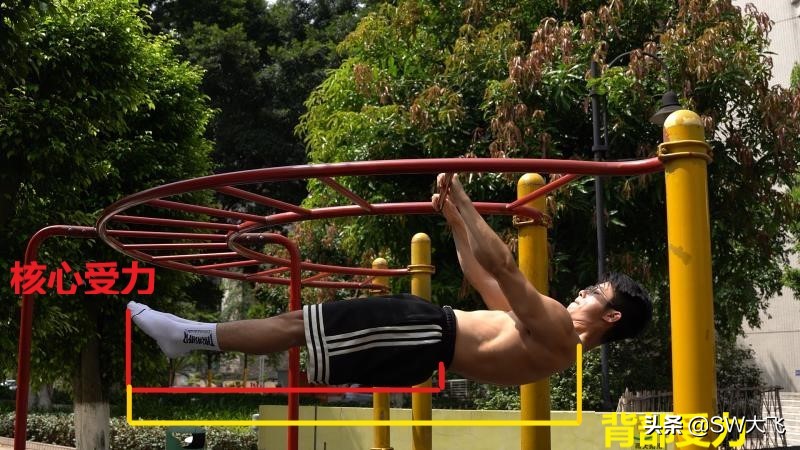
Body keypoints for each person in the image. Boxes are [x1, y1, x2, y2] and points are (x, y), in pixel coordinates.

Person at [129, 173, 652, 387]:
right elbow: (481, 275)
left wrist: (467, 203)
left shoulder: (560, 327)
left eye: (594, 292)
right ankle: (189, 335)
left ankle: (188, 336)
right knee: (301, 327)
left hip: (426, 333)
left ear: (611, 316)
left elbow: (506, 268)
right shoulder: (551, 346)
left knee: (297, 324)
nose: (582, 290)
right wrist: (453, 220)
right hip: (424, 343)